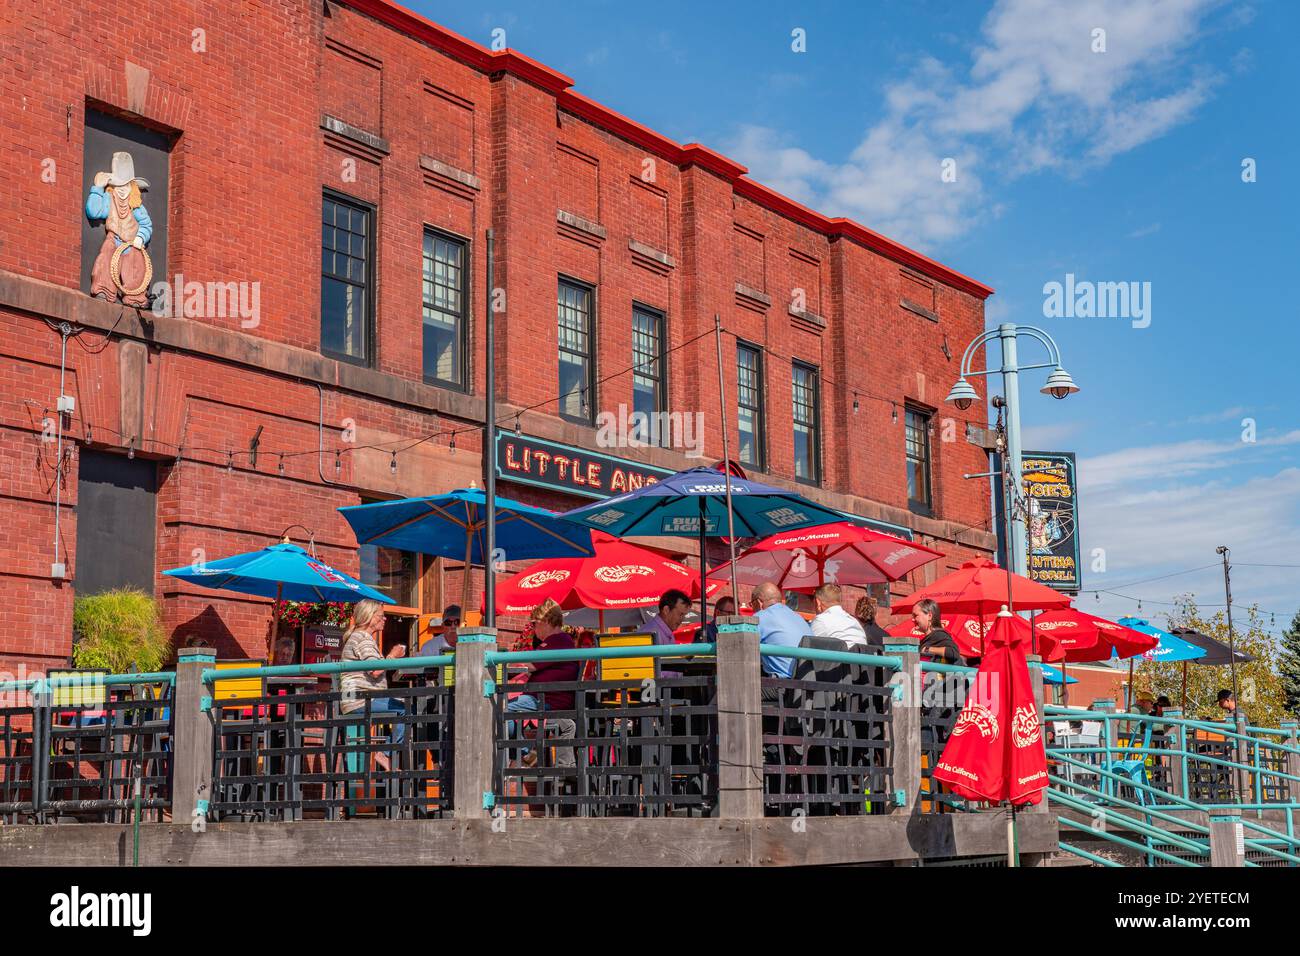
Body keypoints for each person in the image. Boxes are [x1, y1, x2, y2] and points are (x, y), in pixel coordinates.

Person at [506, 599, 577, 768]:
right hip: (542, 698)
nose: (532, 628)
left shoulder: (557, 641)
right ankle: (524, 753)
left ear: (546, 621)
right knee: (503, 711)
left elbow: (528, 665)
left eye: (534, 623)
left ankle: (525, 753)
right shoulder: (559, 641)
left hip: (546, 700)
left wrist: (505, 665)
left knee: (501, 709)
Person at [340, 599, 408, 757]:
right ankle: (384, 754)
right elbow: (375, 670)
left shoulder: (358, 637)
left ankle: (386, 753)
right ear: (369, 617)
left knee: (401, 705)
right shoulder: (363, 638)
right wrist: (392, 655)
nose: (384, 619)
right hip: (359, 701)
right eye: (381, 615)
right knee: (406, 710)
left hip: (356, 699)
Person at [751, 582, 811, 699]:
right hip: (806, 686)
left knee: (732, 690)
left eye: (751, 604)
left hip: (784, 687)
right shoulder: (799, 618)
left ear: (759, 602)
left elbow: (741, 645)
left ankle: (708, 717)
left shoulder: (760, 617)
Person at [911, 598, 960, 664]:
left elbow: (954, 653)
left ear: (929, 616)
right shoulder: (929, 638)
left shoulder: (939, 635)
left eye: (915, 615)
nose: (912, 620)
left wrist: (927, 649)